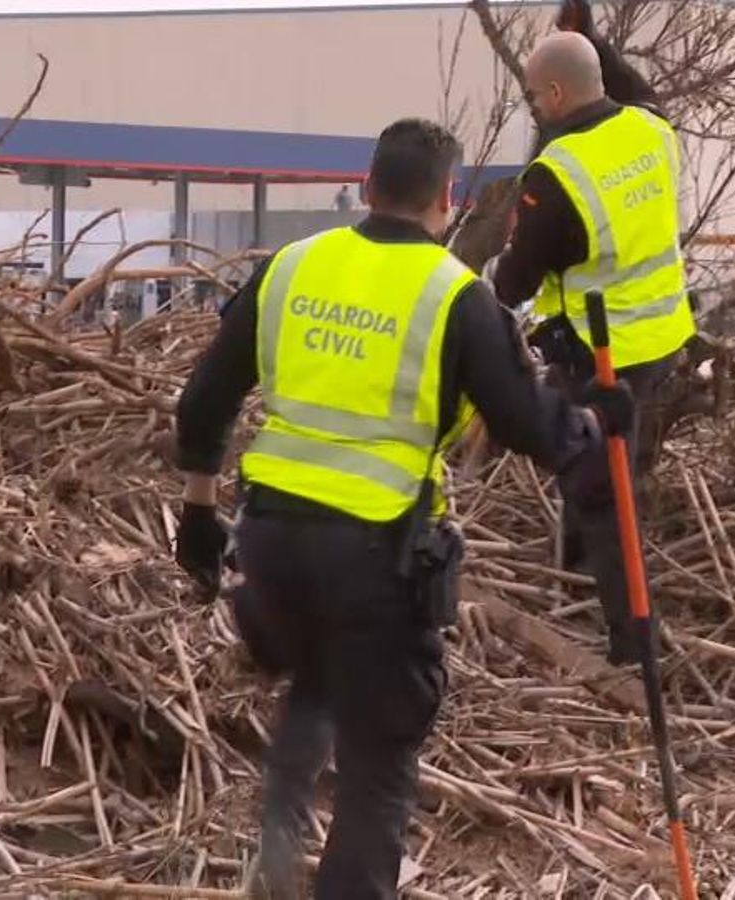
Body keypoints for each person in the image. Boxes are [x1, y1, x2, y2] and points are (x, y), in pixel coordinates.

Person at [172, 118, 631, 900]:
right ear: (447, 199)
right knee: (379, 767)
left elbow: (204, 400)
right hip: (377, 554)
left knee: (316, 679)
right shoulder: (454, 295)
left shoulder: (291, 267)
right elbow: (526, 423)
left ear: (366, 184)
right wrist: (595, 425)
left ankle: (278, 836)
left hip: (272, 544)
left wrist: (199, 513)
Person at [483, 17, 693, 654]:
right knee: (610, 472)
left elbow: (518, 277)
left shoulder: (556, 175)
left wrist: (488, 287)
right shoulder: (652, 129)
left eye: (531, 95)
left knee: (601, 491)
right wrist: (585, 26)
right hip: (664, 337)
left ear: (551, 96)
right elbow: (627, 83)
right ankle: (575, 572)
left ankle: (634, 638)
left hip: (601, 355)